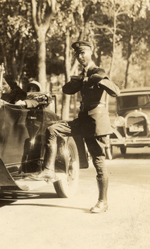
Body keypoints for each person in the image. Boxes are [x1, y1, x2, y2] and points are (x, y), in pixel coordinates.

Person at [28, 40, 120, 213]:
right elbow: (66, 90)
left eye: (83, 52)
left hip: (96, 124)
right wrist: (79, 81)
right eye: (77, 54)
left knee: (98, 161)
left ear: (91, 52)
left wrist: (99, 80)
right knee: (52, 129)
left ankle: (103, 201)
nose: (80, 57)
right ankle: (48, 170)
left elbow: (116, 91)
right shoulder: (83, 75)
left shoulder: (97, 71)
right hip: (83, 120)